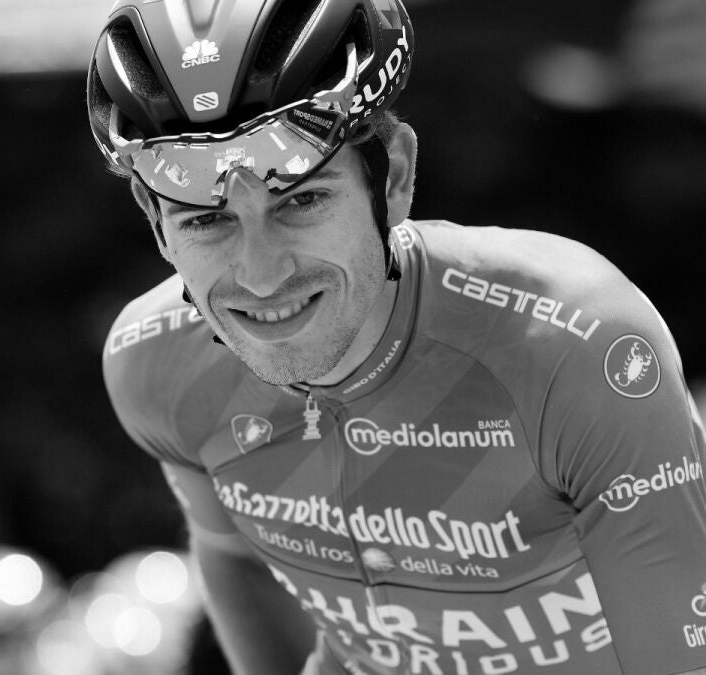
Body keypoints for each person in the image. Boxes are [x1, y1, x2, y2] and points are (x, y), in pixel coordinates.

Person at [90, 0, 706, 673]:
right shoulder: (156, 365)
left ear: (396, 178)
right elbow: (236, 556)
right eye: (206, 220)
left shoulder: (573, 346)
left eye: (301, 199)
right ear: (155, 221)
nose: (260, 276)